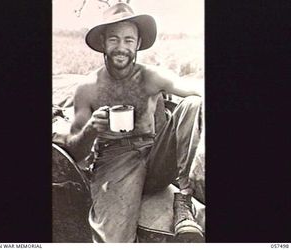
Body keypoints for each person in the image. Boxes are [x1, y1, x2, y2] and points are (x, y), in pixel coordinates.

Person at [53, 3, 204, 243]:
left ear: (138, 43)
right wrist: (92, 128)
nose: (121, 48)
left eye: (128, 40)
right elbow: (76, 153)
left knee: (193, 104)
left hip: (156, 156)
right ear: (103, 43)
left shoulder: (152, 76)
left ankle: (184, 201)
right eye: (114, 40)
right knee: (112, 240)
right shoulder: (87, 88)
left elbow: (195, 92)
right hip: (115, 163)